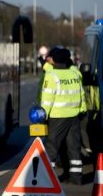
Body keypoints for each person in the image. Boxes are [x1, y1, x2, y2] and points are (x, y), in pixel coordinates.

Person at [40, 48, 87, 185]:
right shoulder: (74, 73)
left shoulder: (52, 76)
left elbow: (47, 99)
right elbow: (81, 94)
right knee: (74, 148)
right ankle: (76, 178)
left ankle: (46, 179)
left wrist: (43, 115)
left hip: (57, 117)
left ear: (53, 60)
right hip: (74, 116)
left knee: (52, 147)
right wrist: (82, 110)